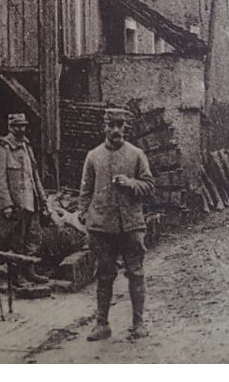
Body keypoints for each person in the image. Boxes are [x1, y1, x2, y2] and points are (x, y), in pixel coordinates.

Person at [80, 108, 154, 341]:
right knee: (104, 274)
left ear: (125, 127)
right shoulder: (93, 156)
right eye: (111, 124)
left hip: (131, 225)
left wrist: (131, 183)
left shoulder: (136, 155)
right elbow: (85, 192)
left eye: (120, 125)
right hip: (102, 227)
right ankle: (102, 324)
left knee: (136, 273)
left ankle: (138, 323)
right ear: (104, 127)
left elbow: (150, 186)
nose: (115, 130)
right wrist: (85, 216)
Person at [0, 112, 48, 286]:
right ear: (10, 127)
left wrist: (43, 200)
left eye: (23, 125)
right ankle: (17, 276)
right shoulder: (3, 148)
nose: (21, 129)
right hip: (16, 203)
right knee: (17, 240)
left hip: (31, 201)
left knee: (32, 239)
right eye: (17, 126)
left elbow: (34, 175)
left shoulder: (26, 146)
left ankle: (29, 271)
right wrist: (6, 204)